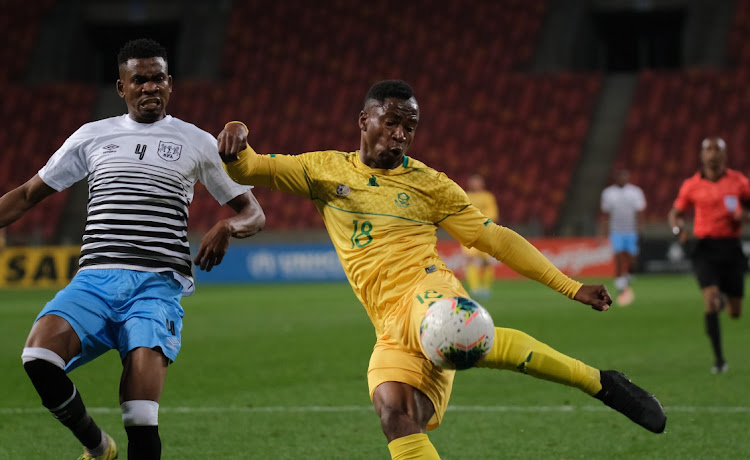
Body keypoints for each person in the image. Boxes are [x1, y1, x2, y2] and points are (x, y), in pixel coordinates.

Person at [218, 80, 666, 459]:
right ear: (364, 121)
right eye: (390, 122)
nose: (399, 135)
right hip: (389, 325)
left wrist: (570, 287)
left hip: (428, 292)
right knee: (395, 414)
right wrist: (236, 136)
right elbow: (250, 166)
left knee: (452, 330)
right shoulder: (322, 171)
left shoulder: (430, 185)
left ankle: (600, 383)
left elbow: (496, 238)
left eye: (408, 127)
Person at [0, 38, 265, 460]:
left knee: (140, 416)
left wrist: (227, 226)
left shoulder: (195, 141)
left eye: (157, 78)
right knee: (37, 356)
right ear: (121, 87)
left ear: (170, 84)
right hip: (94, 282)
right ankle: (97, 445)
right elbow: (29, 194)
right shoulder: (92, 136)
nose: (149, 87)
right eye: (138, 80)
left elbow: (254, 212)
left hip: (156, 290)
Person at [668, 137, 750, 374]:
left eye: (717, 149)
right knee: (711, 299)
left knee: (734, 313)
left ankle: (724, 301)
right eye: (708, 149)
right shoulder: (691, 185)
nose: (712, 154)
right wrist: (678, 229)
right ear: (701, 156)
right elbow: (676, 213)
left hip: (732, 248)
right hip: (704, 249)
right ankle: (719, 361)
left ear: (725, 155)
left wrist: (744, 216)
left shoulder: (740, 182)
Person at [599, 169, 646, 306]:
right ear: (616, 178)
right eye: (620, 176)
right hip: (616, 231)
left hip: (631, 231)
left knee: (632, 261)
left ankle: (626, 279)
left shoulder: (635, 192)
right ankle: (621, 287)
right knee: (619, 258)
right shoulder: (608, 193)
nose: (622, 179)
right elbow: (606, 215)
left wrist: (640, 228)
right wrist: (603, 232)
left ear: (627, 177)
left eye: (624, 176)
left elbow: (640, 212)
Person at [461, 173, 499, 299]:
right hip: (468, 232)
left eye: (477, 181)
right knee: (469, 260)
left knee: (486, 262)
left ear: (482, 183)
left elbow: (493, 214)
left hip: (484, 232)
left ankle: (486, 288)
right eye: (473, 181)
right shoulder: (464, 196)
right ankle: (475, 289)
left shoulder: (487, 197)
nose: (475, 184)